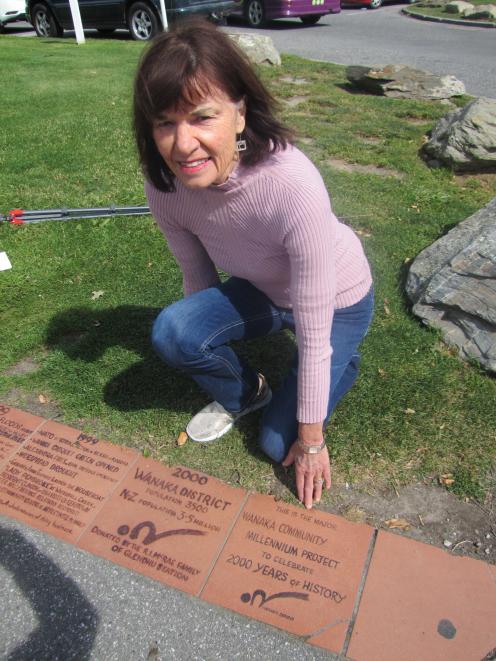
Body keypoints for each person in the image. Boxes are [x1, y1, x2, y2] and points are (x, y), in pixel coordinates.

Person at [133, 19, 373, 510]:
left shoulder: (292, 184)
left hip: (335, 303)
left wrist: (312, 441)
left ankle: (341, 364)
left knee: (275, 443)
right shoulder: (164, 187)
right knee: (175, 332)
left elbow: (312, 320)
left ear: (240, 114)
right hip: (263, 290)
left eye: (202, 117)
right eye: (165, 122)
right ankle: (251, 392)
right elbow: (197, 280)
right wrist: (200, 340)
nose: (182, 145)